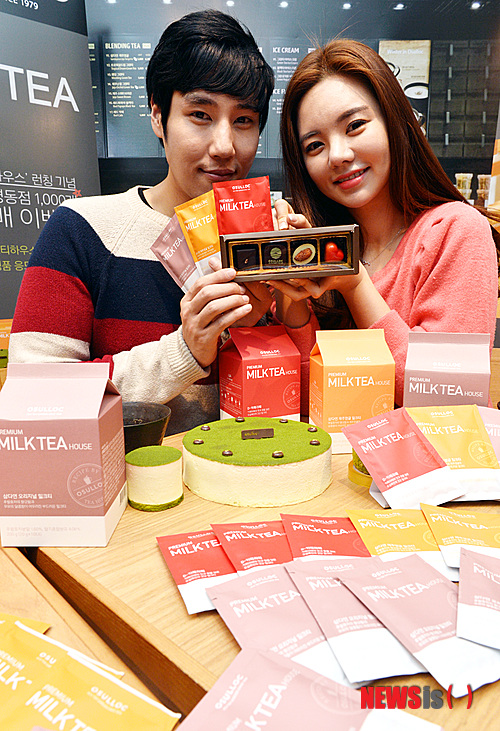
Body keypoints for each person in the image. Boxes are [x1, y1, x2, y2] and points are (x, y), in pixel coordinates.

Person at [9, 10, 282, 434]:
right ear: (158, 115)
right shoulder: (82, 230)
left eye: (243, 120)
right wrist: (184, 352)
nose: (225, 146)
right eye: (200, 115)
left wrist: (274, 315)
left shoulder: (271, 236)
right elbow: (35, 397)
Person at [272, 39, 500, 406]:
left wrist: (355, 284)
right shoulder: (318, 245)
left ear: (395, 121)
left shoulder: (455, 231)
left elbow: (446, 396)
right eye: (315, 145)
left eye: (355, 125)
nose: (338, 155)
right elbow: (296, 397)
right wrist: (290, 296)